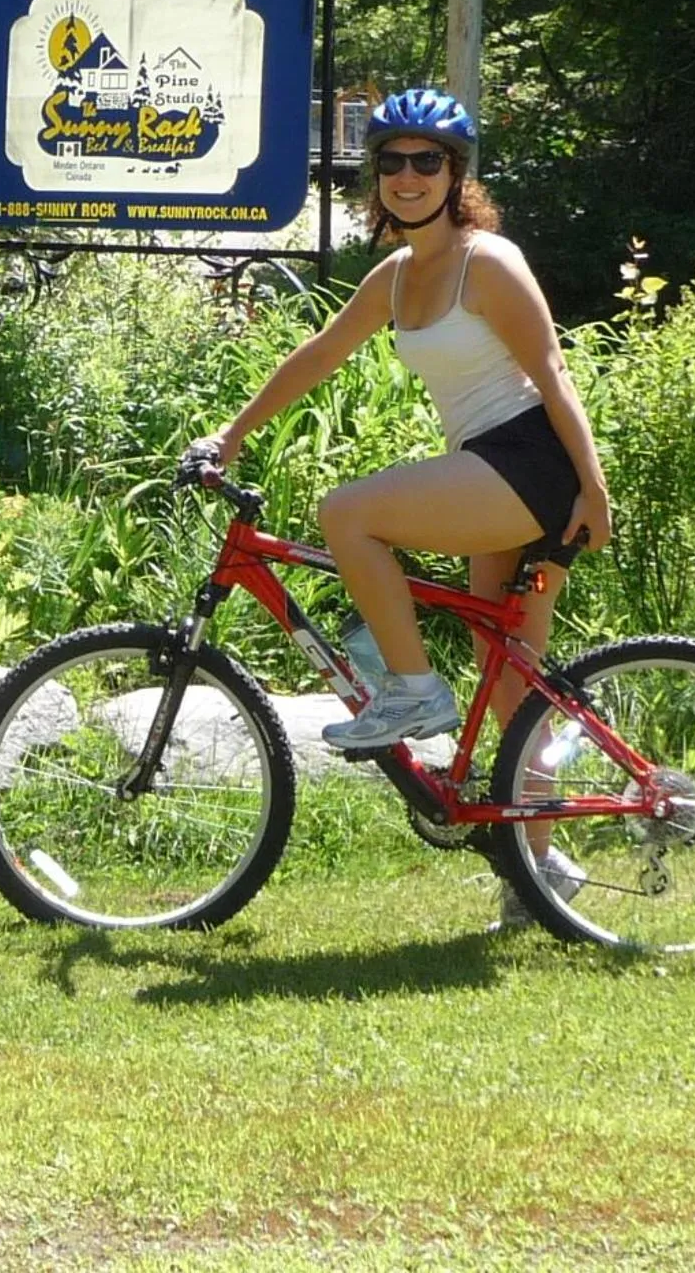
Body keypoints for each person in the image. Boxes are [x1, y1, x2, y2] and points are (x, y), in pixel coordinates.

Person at [192, 87, 611, 929]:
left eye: (427, 161)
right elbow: (319, 354)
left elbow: (553, 373)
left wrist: (594, 488)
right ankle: (542, 870)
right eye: (392, 162)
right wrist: (230, 435)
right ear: (376, 176)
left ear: (455, 176)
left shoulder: (488, 262)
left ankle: (413, 690)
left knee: (348, 514)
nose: (409, 176)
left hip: (528, 464)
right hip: (492, 469)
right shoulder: (395, 276)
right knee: (514, 687)